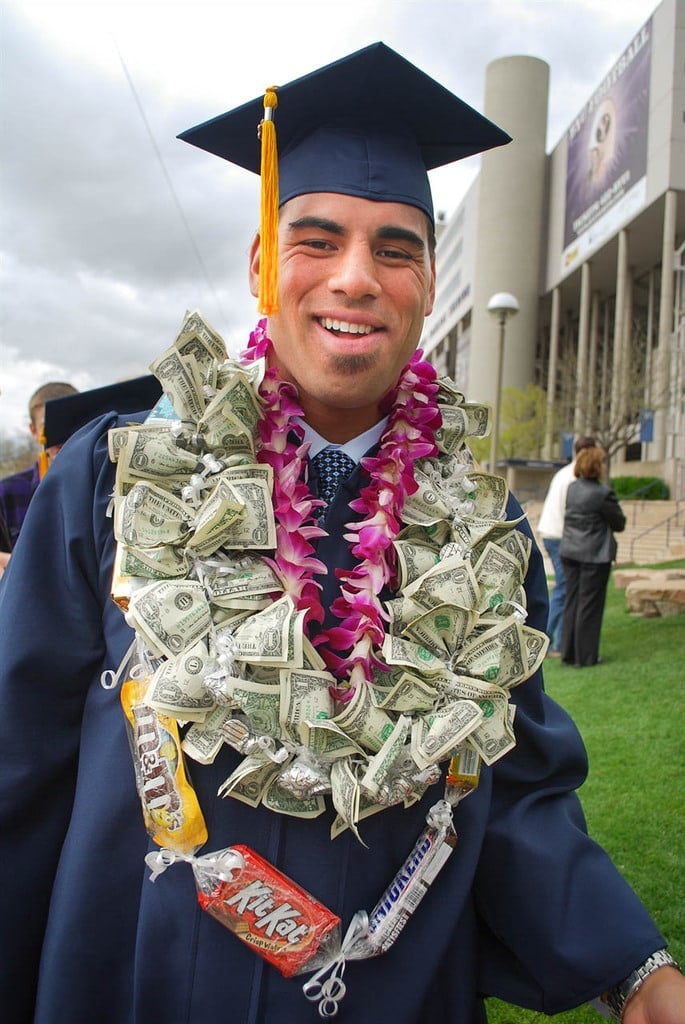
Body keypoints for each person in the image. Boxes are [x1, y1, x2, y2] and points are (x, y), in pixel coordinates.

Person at [0, 43, 683, 1024]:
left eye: (396, 248)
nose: (356, 277)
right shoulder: (116, 479)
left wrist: (631, 965)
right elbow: (15, 777)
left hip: (387, 995)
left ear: (428, 280)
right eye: (316, 238)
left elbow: (515, 791)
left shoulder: (478, 532)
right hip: (132, 980)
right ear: (260, 264)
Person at [559, 446, 626, 668]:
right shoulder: (602, 493)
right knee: (589, 606)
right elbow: (619, 523)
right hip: (593, 555)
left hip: (570, 551)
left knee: (572, 601)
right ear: (598, 466)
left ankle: (567, 652)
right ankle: (586, 656)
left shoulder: (572, 489)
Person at [0, 380, 78, 552]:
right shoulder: (6, 493)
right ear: (34, 431)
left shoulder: (100, 487)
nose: (60, 435)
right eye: (48, 426)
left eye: (67, 423)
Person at [536, 435, 596, 655]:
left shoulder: (564, 472)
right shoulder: (575, 476)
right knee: (564, 588)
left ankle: (560, 640)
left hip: (553, 533)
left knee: (567, 588)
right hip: (560, 536)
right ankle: (546, 639)